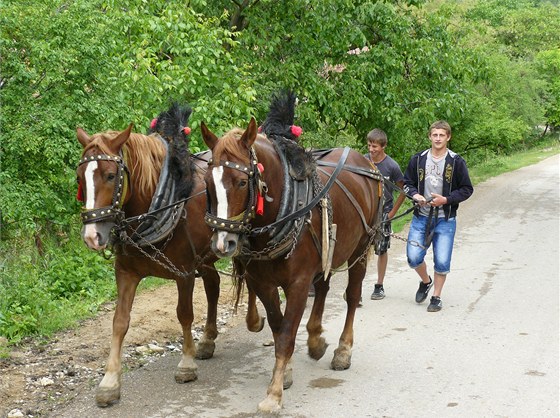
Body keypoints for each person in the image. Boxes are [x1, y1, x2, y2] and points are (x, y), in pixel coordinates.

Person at [403, 120, 473, 312]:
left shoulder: (456, 162)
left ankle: (436, 297)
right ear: (429, 137)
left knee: (442, 261)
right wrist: (415, 195)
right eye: (435, 135)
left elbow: (467, 189)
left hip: (445, 219)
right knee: (413, 258)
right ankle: (426, 282)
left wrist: (447, 200)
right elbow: (407, 183)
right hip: (421, 218)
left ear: (448, 137)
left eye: (442, 135)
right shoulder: (418, 159)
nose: (438, 138)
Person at [364, 129, 406, 300]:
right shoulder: (363, 160)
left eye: (375, 146)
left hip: (384, 212)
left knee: (381, 250)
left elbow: (403, 190)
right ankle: (355, 285)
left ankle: (379, 285)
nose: (371, 149)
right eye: (369, 145)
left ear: (383, 146)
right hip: (365, 210)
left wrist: (392, 213)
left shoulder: (392, 166)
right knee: (359, 248)